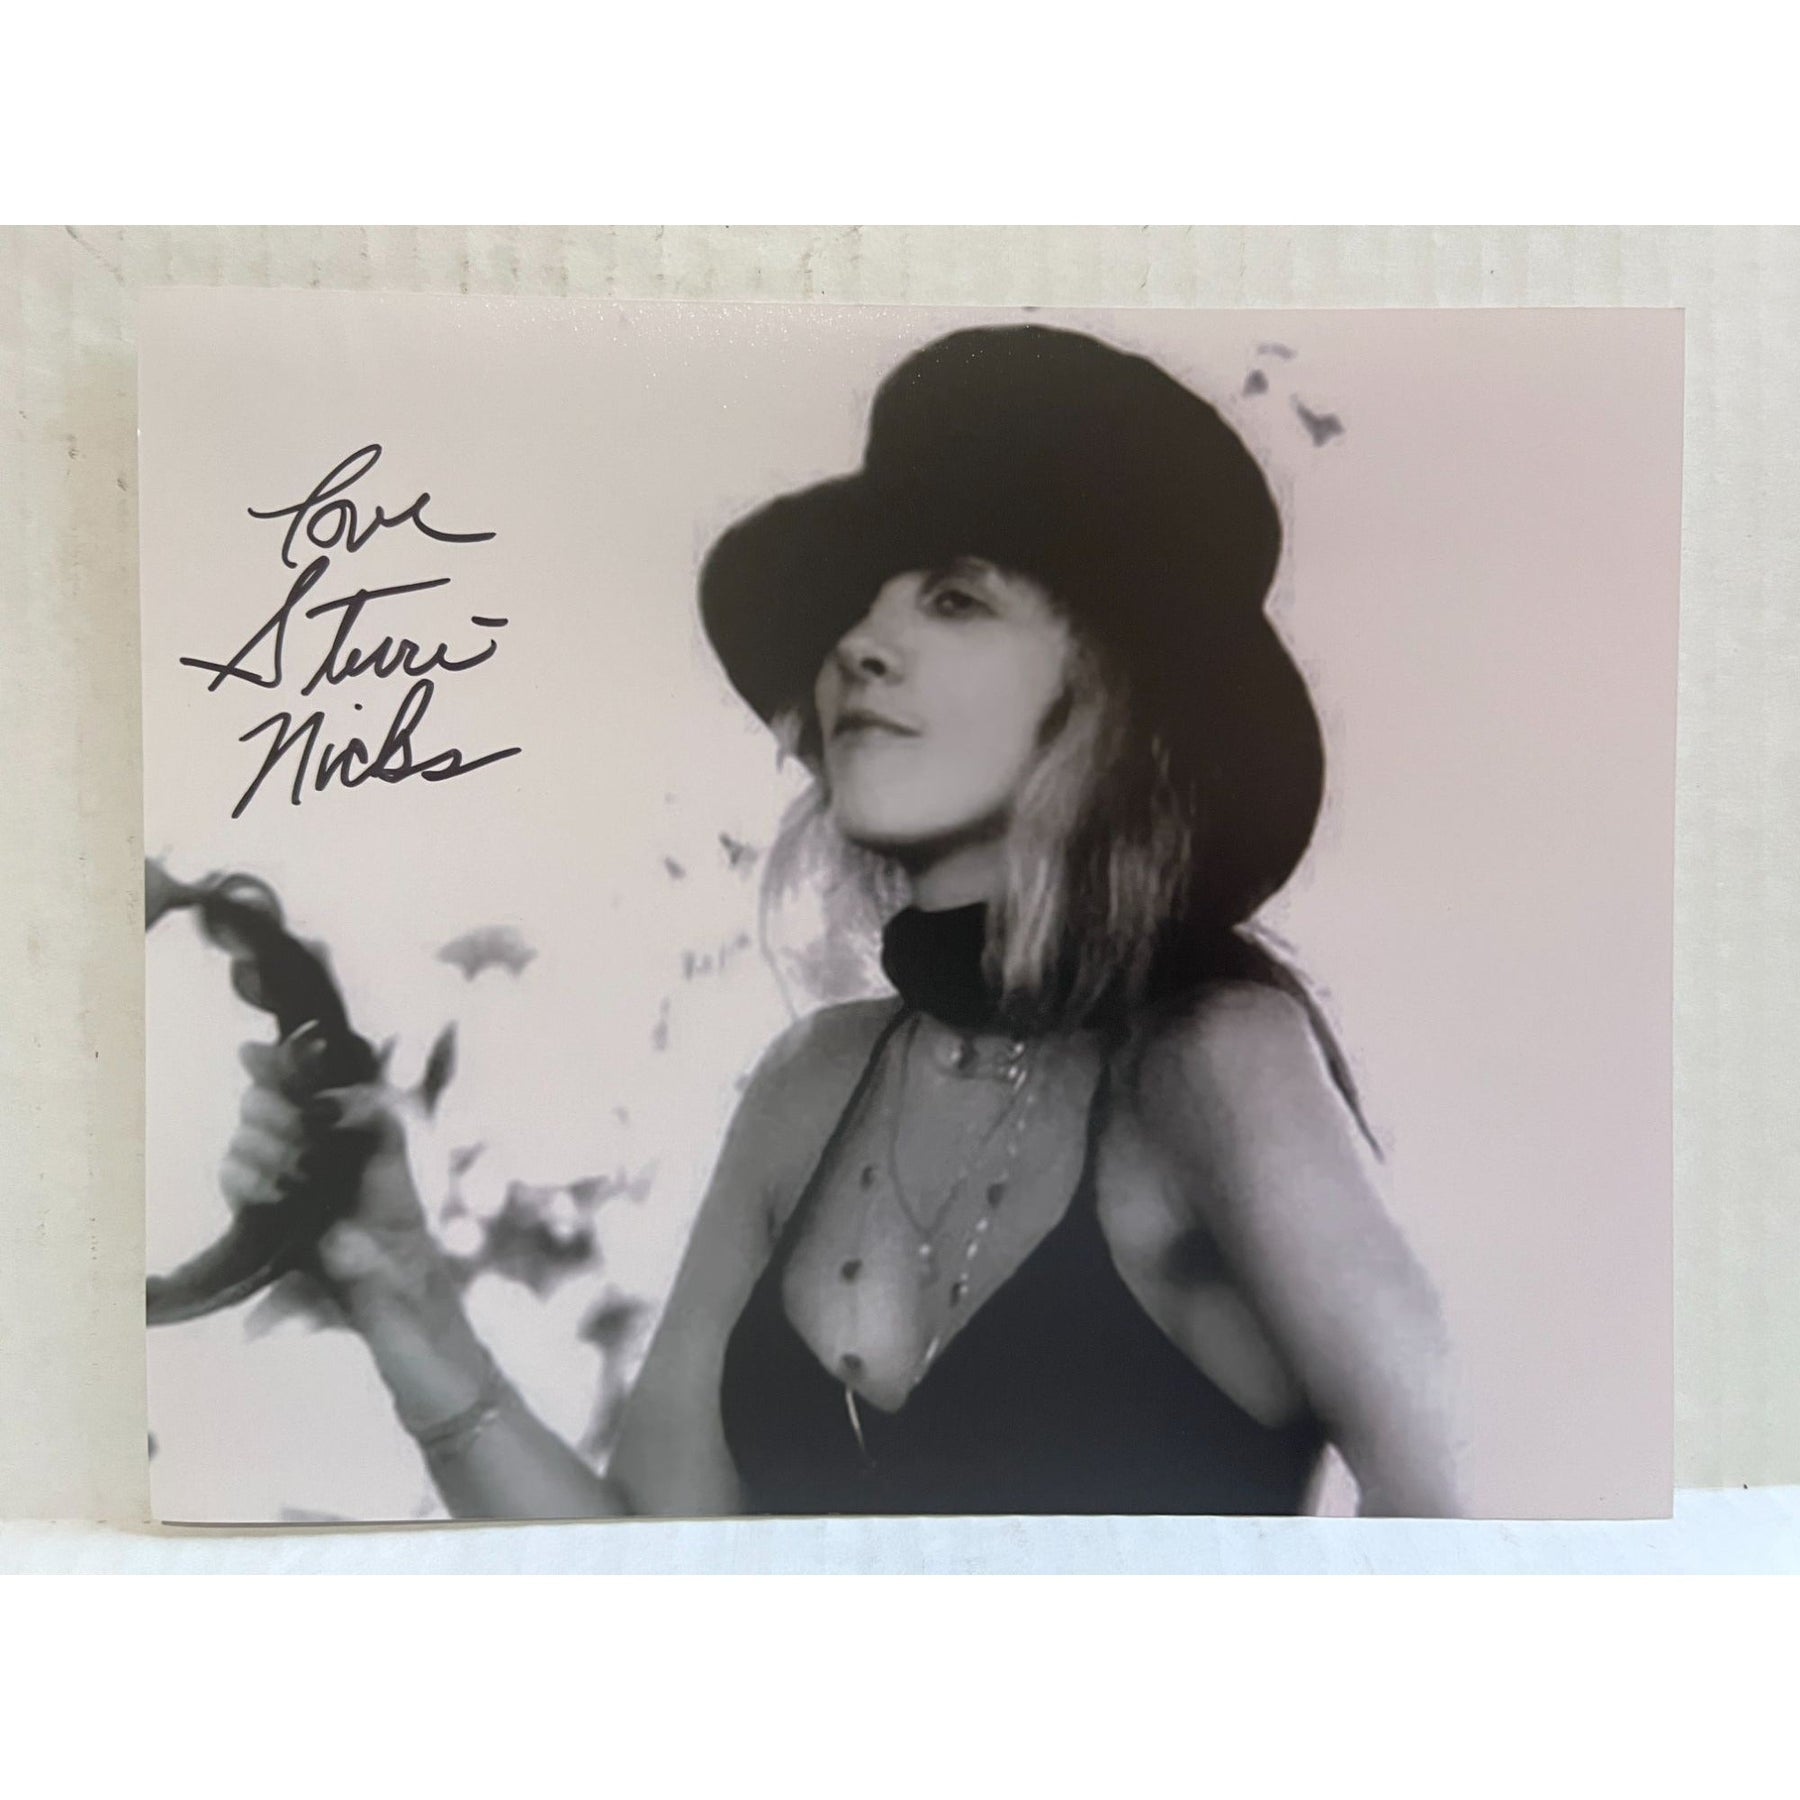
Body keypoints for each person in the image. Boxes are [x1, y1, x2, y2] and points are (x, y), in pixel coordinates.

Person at [221, 325, 1463, 1519]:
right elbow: (648, 1579)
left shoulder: (1219, 1064)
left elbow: (1464, 1522)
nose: (861, 644)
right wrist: (399, 1289)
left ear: (1109, 698)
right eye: (858, 610)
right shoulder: (808, 1087)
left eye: (956, 601)